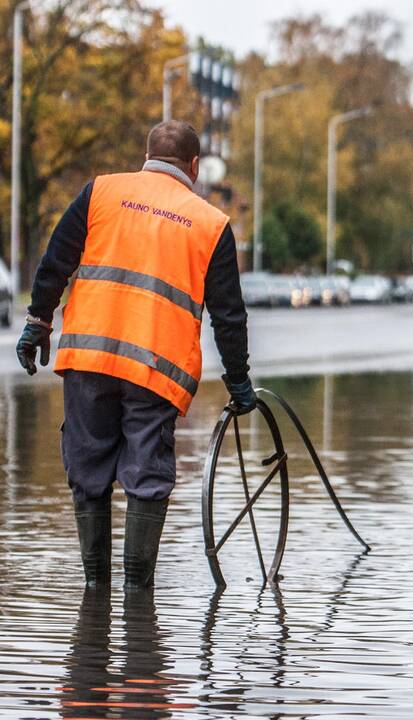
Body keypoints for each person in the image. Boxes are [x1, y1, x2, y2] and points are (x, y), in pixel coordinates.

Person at [15, 120, 256, 589]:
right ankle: (137, 596)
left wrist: (36, 323)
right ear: (194, 166)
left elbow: (55, 261)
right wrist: (239, 382)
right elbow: (229, 316)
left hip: (89, 361)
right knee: (147, 473)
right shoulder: (210, 223)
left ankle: (95, 590)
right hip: (155, 371)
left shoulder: (101, 193)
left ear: (146, 156)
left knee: (88, 469)